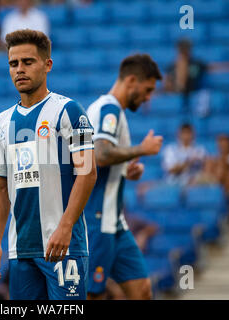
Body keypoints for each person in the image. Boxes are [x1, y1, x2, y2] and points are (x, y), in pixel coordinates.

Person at [0, 29, 97, 300]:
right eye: (14, 64)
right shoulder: (2, 122)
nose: (19, 70)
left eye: (28, 62)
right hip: (21, 251)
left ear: (47, 65)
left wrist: (65, 226)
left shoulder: (70, 111)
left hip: (63, 246)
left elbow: (88, 172)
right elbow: (0, 186)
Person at [84, 54, 163, 300]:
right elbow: (101, 154)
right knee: (92, 295)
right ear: (131, 80)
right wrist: (142, 149)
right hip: (96, 219)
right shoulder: (109, 109)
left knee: (142, 291)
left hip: (115, 221)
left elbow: (104, 158)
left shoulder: (109, 110)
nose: (149, 97)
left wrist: (126, 170)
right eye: (147, 89)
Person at [163, 39, 229, 110]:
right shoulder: (171, 68)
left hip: (196, 98)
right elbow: (166, 88)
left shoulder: (196, 64)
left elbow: (214, 68)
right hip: (177, 100)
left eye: (186, 50)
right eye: (182, 51)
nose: (184, 54)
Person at [192, 134, 229, 199]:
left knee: (220, 165)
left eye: (225, 144)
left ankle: (209, 185)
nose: (223, 146)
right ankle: (205, 187)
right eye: (220, 144)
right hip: (216, 181)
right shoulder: (215, 156)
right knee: (209, 162)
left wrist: (220, 161)